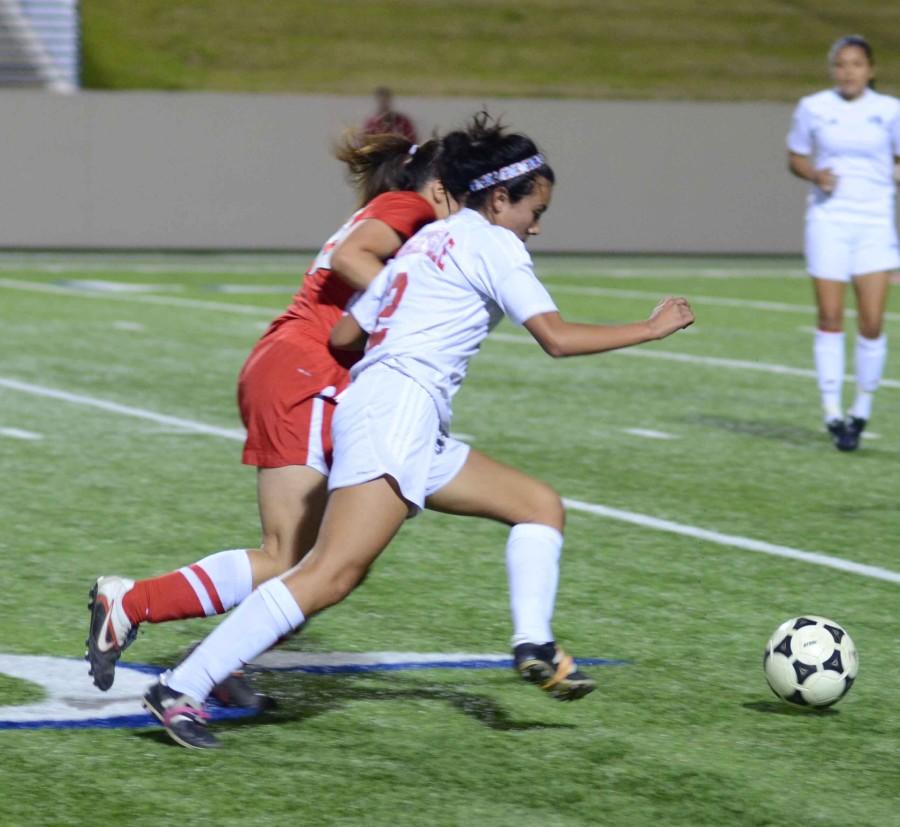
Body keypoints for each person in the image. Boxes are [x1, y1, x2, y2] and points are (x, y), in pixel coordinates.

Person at [140, 114, 694, 749]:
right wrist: (650, 328)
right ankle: (182, 685)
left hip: (398, 411)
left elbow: (344, 333)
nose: (536, 225)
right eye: (533, 209)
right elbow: (557, 339)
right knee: (330, 573)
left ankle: (533, 643)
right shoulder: (492, 243)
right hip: (398, 411)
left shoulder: (425, 244)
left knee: (538, 507)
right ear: (496, 197)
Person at [85, 133, 455, 700]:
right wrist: (403, 297)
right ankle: (133, 603)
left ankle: (219, 661)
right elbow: (351, 259)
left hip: (301, 371)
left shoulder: (404, 212)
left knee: (326, 562)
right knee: (295, 559)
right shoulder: (413, 207)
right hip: (309, 374)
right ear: (436, 183)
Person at [787, 35, 900, 451]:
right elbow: (796, 155)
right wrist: (816, 175)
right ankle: (833, 411)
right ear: (832, 69)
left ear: (870, 69)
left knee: (871, 321)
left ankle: (862, 408)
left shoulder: (890, 110)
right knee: (830, 317)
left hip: (874, 222)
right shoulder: (813, 107)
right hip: (828, 220)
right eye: (840, 64)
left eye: (855, 64)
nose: (847, 72)